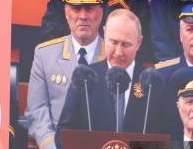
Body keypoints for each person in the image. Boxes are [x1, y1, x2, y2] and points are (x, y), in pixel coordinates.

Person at [26, 0, 106, 149]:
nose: (83, 16)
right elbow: (37, 112)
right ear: (66, 13)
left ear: (101, 13)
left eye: (89, 8)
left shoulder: (114, 56)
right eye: (76, 8)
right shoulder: (44, 54)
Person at [58, 9, 156, 137]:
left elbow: (165, 135)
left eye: (126, 45)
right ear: (104, 34)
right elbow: (63, 132)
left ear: (138, 43)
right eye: (114, 42)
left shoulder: (151, 83)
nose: (118, 52)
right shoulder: (86, 78)